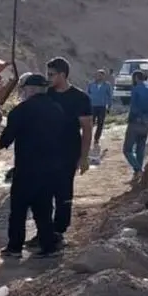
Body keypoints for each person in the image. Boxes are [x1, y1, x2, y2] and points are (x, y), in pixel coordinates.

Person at [0, 74, 67, 258]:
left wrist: (0, 144)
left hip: (26, 168)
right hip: (50, 168)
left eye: (24, 88)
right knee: (43, 209)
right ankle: (48, 246)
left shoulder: (21, 110)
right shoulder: (57, 109)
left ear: (31, 89)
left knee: (19, 210)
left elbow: (7, 137)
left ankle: (15, 247)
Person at [44, 57, 93, 241]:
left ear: (62, 75)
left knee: (63, 192)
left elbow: (87, 129)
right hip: (46, 153)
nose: (48, 78)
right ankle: (45, 230)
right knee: (44, 193)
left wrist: (84, 156)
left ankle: (59, 231)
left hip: (68, 153)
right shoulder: (47, 95)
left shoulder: (80, 98)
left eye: (51, 74)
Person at [124, 70, 148, 177]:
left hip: (135, 122)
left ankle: (138, 169)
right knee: (140, 147)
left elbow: (134, 107)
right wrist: (146, 118)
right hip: (146, 123)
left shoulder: (135, 90)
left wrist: (137, 117)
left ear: (136, 78)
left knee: (127, 149)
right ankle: (138, 170)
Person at [86, 69, 114, 154]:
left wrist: (109, 106)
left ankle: (96, 139)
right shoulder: (91, 84)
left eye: (101, 75)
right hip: (92, 107)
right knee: (90, 123)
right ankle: (88, 138)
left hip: (102, 107)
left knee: (100, 123)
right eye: (98, 75)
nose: (99, 77)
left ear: (103, 76)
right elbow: (87, 94)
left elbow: (110, 96)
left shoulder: (107, 85)